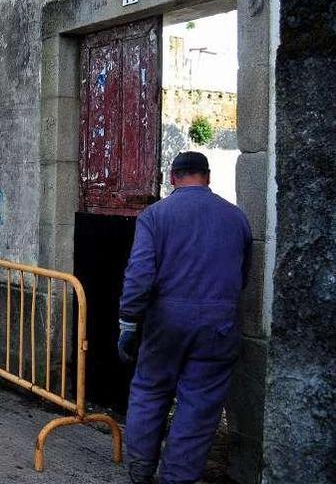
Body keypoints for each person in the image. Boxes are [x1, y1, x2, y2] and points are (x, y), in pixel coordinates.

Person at [117, 151, 252, 484]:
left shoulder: (155, 216)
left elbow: (139, 274)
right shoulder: (236, 218)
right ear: (207, 177)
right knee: (199, 403)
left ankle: (140, 470)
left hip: (165, 322)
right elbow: (243, 274)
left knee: (150, 391)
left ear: (172, 178)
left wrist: (129, 321)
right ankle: (176, 477)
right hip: (218, 324)